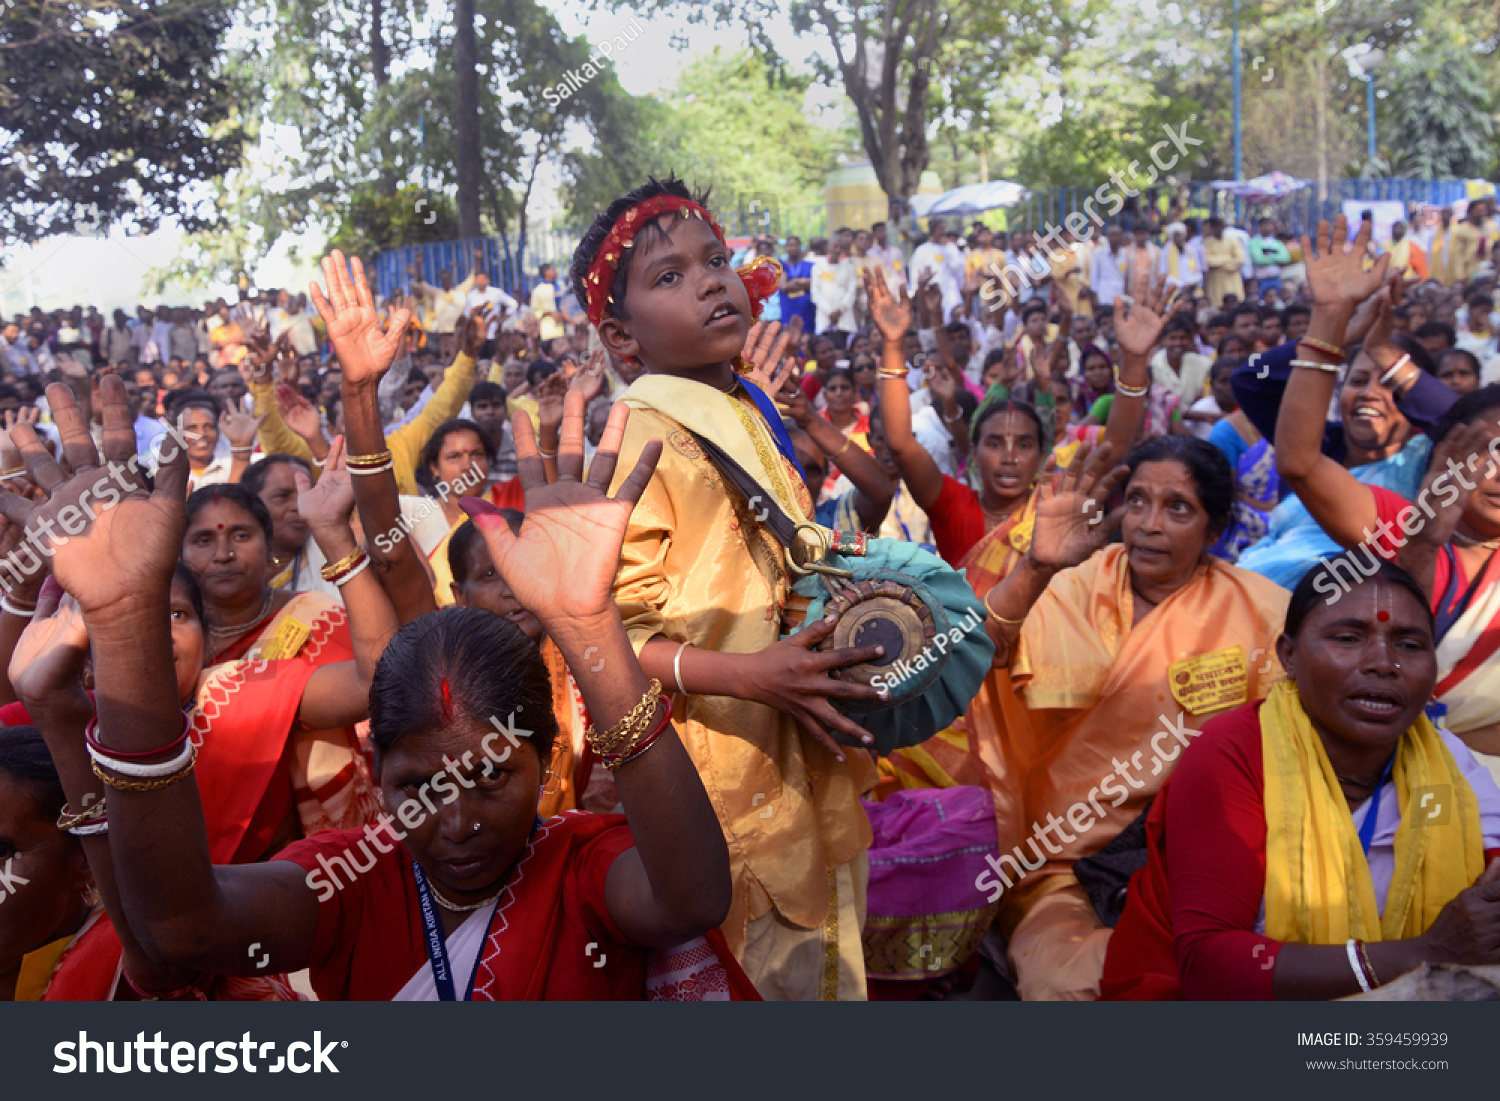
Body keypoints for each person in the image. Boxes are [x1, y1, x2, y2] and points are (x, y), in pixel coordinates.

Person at [25, 375, 754, 1000]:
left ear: (546, 756)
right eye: (419, 785)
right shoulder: (352, 881)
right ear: (376, 770)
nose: (459, 819)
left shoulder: (581, 867)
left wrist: (590, 625)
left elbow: (690, 897)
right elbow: (184, 931)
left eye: (493, 776)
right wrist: (122, 624)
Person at [576, 177, 888, 999]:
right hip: (719, 770)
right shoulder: (642, 427)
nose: (711, 280)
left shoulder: (742, 405)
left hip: (795, 745)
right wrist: (751, 674)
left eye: (715, 259)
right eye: (668, 276)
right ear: (621, 335)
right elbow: (610, 637)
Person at [1101, 557, 1500, 999]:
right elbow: (1209, 960)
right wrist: (1420, 952)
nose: (1384, 664)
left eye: (1409, 645)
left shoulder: (1445, 762)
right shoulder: (1234, 752)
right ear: (1288, 655)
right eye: (1348, 638)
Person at [977, 433, 1288, 1000]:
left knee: (1217, 971)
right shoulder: (1069, 583)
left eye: (1177, 508)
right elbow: (980, 651)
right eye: (1138, 501)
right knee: (1062, 984)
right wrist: (1036, 565)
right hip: (1062, 863)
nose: (1148, 524)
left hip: (1198, 857)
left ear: (1215, 529)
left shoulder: (1261, 611)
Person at [1231, 217, 1456, 589]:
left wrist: (1387, 353)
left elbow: (1470, 428)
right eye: (1358, 380)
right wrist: (1337, 333)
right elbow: (1248, 380)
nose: (1371, 393)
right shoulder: (1313, 444)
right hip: (1253, 592)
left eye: (1390, 385)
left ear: (1414, 401)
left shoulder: (1428, 462)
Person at [1204, 218, 1246, 307]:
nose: (1218, 229)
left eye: (1220, 226)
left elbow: (1240, 260)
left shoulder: (1234, 241)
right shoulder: (1207, 243)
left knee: (1235, 304)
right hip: (1216, 280)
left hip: (1232, 277)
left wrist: (1219, 262)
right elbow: (1208, 261)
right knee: (1217, 304)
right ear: (1211, 228)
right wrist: (1228, 258)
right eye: (1215, 227)